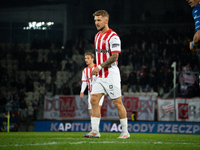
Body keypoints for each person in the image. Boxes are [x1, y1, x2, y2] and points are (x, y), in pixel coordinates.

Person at [84, 10, 130, 139]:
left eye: (99, 20)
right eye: (95, 21)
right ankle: (95, 131)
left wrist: (98, 66)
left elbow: (114, 57)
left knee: (117, 103)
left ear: (106, 20)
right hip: (100, 76)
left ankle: (125, 132)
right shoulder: (97, 36)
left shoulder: (113, 37)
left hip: (110, 75)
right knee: (93, 100)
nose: (97, 23)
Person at [80, 52, 104, 117]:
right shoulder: (85, 70)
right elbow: (85, 82)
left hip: (99, 92)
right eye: (85, 58)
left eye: (88, 58)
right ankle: (94, 126)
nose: (86, 60)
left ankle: (96, 126)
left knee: (97, 109)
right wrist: (82, 91)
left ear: (92, 59)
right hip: (90, 93)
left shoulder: (98, 68)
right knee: (91, 112)